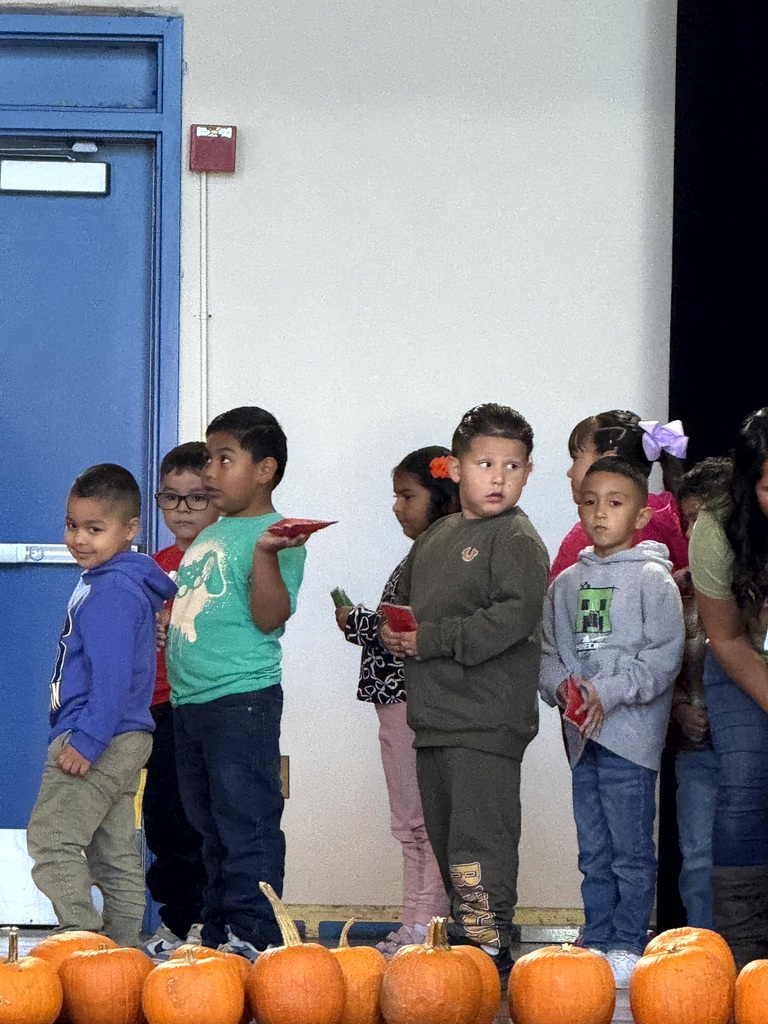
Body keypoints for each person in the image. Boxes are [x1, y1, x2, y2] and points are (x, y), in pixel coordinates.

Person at [381, 403, 550, 983]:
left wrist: (432, 639)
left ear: (528, 472)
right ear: (454, 469)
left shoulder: (518, 538)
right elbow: (417, 614)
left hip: (486, 722)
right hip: (433, 719)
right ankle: (465, 943)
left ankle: (487, 950)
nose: (498, 476)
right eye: (484, 463)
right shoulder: (437, 539)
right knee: (451, 841)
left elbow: (513, 617)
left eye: (513, 465)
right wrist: (396, 630)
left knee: (481, 844)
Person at [164, 407, 308, 959]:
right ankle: (220, 928)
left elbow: (272, 616)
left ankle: (257, 934)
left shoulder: (277, 535)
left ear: (265, 469)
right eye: (209, 459)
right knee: (208, 826)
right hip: (192, 703)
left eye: (225, 459)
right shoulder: (214, 531)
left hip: (240, 700)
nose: (210, 473)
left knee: (245, 819)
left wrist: (269, 557)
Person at [539, 457, 684, 988]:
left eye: (616, 503)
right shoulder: (566, 583)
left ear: (642, 515)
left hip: (630, 741)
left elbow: (663, 659)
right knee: (593, 847)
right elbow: (549, 654)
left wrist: (609, 690)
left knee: (630, 849)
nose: (601, 514)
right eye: (590, 502)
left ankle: (627, 940)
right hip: (583, 741)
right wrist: (562, 688)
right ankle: (596, 936)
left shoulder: (653, 579)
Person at [27, 464, 177, 948]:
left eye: (96, 528)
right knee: (113, 849)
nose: (80, 539)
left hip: (100, 735)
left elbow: (112, 681)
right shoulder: (119, 581)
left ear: (130, 529)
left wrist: (87, 740)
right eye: (72, 525)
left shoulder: (110, 591)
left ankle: (82, 938)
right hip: (128, 736)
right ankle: (123, 950)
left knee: (52, 839)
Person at [334, 445, 460, 955]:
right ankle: (414, 924)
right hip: (394, 707)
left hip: (415, 702)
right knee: (409, 824)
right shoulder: (420, 554)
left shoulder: (441, 553)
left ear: (441, 498)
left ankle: (425, 927)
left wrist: (357, 622)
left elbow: (405, 626)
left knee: (425, 824)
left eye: (407, 495)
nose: (397, 506)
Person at [689, 408, 768, 968]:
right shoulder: (715, 530)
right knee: (744, 791)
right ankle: (744, 960)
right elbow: (727, 639)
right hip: (742, 656)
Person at [142, 442, 219, 958]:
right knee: (163, 816)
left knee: (203, 818)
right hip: (158, 707)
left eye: (197, 498)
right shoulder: (150, 567)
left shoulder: (223, 558)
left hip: (207, 703)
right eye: (173, 498)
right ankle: (175, 918)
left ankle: (206, 921)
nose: (184, 509)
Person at [663, 456, 732, 931]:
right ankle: (703, 953)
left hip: (750, 741)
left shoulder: (753, 585)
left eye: (710, 519)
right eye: (690, 521)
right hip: (697, 748)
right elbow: (653, 665)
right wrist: (679, 708)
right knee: (698, 858)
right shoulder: (673, 592)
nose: (699, 532)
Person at [550, 411, 689, 581]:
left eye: (576, 458)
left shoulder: (591, 532)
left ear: (608, 458)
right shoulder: (677, 515)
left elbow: (561, 602)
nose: (570, 473)